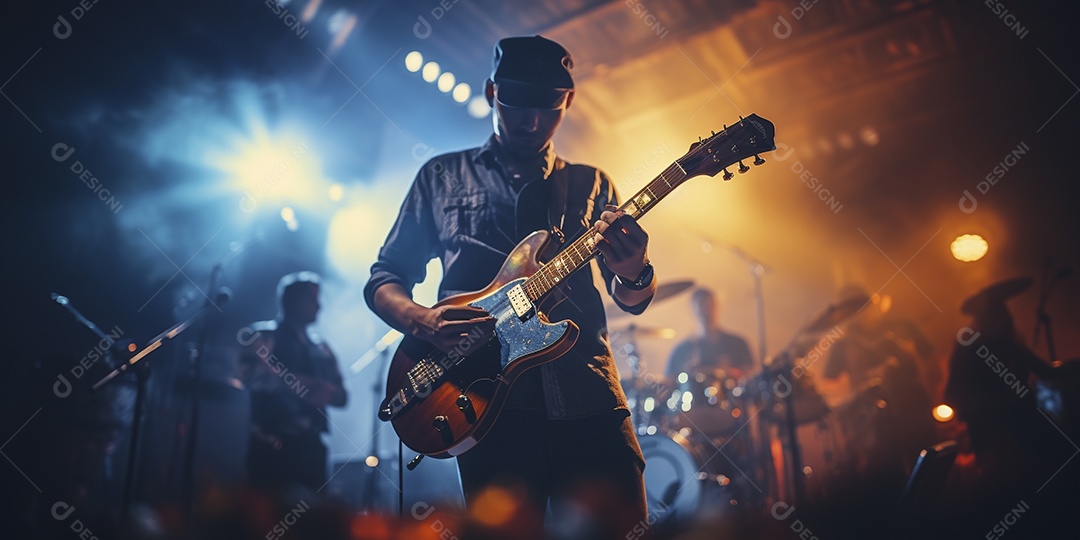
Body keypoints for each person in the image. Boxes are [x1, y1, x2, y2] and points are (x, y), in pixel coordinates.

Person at [364, 36, 655, 537]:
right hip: (484, 405)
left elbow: (630, 299)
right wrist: (424, 320)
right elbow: (384, 277)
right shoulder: (441, 176)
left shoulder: (591, 184)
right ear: (490, 91)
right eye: (517, 103)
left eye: (548, 106)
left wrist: (636, 269)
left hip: (587, 396)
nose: (532, 121)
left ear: (570, 100)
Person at [238, 271, 348, 493]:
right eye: (312, 299)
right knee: (265, 516)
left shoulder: (322, 347)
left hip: (312, 449)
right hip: (270, 445)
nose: (319, 306)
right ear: (293, 300)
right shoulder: (262, 335)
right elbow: (247, 376)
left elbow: (343, 396)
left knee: (311, 520)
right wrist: (303, 385)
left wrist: (324, 391)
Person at [665, 288, 754, 381]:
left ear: (716, 307)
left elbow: (750, 377)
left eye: (708, 305)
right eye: (701, 306)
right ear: (693, 310)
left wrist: (730, 372)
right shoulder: (680, 351)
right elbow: (668, 383)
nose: (705, 310)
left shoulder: (738, 344)